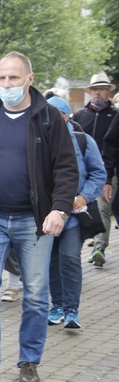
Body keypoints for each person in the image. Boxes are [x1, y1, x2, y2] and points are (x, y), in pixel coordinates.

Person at [0, 51, 78, 382]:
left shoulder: (48, 118)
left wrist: (59, 208)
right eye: (2, 78)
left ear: (29, 79)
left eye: (13, 77)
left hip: (35, 222)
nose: (7, 84)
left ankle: (28, 361)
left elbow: (67, 168)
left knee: (37, 293)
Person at [46, 96, 105, 329]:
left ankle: (72, 310)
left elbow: (98, 174)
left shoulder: (83, 141)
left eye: (55, 115)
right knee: (51, 260)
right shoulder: (40, 141)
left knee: (70, 258)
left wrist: (83, 196)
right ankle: (57, 306)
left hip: (73, 216)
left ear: (66, 116)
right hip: (47, 213)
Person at [72, 72, 118, 267]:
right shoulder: (81, 115)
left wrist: (108, 175)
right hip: (82, 170)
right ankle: (80, 241)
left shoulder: (115, 116)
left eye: (101, 89)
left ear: (108, 92)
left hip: (107, 170)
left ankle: (99, 246)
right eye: (94, 90)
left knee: (103, 206)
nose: (97, 93)